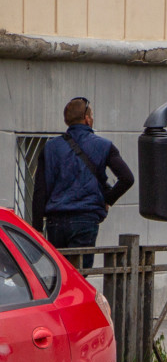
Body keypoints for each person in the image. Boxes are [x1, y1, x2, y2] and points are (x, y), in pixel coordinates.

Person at [31, 97, 134, 268]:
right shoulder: (104, 146)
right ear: (87, 119)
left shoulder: (50, 148)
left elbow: (40, 190)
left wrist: (37, 228)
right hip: (85, 219)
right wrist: (107, 200)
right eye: (91, 115)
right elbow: (127, 179)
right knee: (79, 274)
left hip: (55, 222)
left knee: (59, 273)